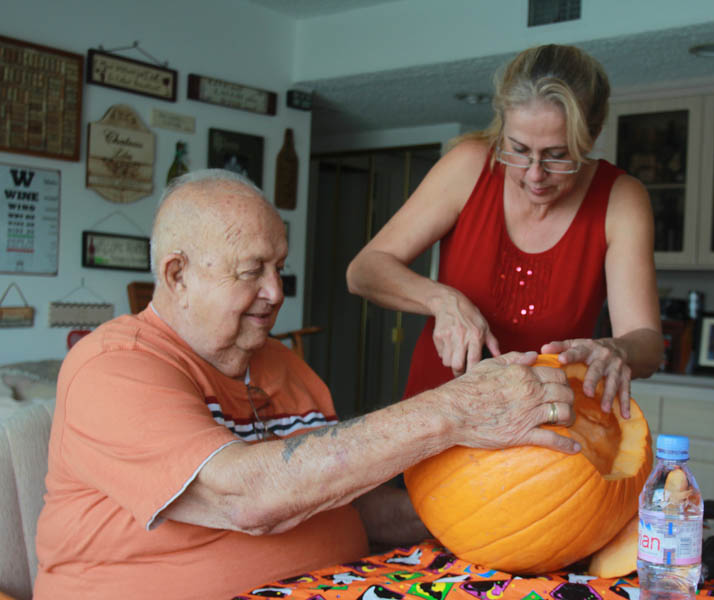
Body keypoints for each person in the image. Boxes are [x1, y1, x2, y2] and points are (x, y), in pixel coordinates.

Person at [32, 169, 578, 600]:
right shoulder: (112, 365)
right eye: (251, 271)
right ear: (177, 275)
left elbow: (349, 505)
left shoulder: (286, 366)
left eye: (280, 267)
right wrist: (457, 410)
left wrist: (514, 506)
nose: (276, 291)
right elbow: (245, 495)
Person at [347, 44, 663, 415]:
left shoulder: (620, 199)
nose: (534, 174)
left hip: (542, 427)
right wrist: (442, 300)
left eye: (557, 155)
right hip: (437, 417)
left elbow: (648, 342)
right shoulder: (468, 166)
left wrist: (617, 350)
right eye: (518, 149)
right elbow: (364, 270)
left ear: (589, 138)